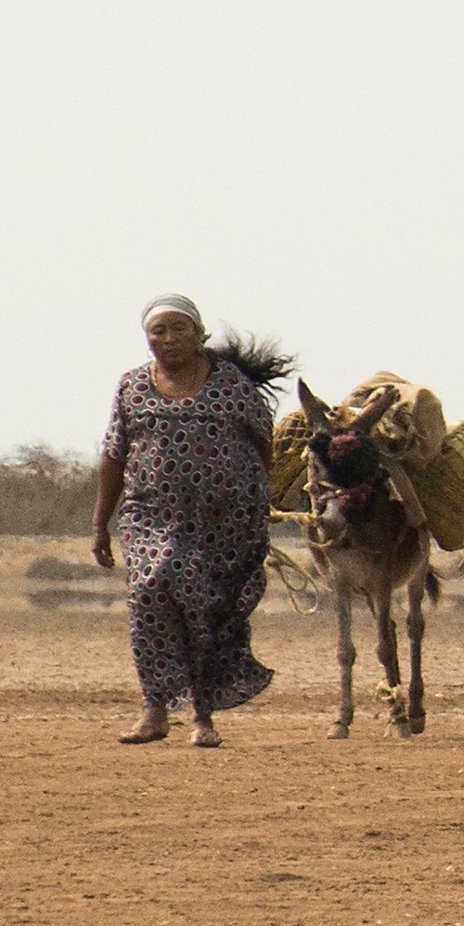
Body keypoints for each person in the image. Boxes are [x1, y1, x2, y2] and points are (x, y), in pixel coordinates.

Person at [91, 296, 284, 747]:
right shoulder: (132, 386)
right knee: (151, 589)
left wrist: (258, 503)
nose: (168, 338)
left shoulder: (232, 384)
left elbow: (264, 443)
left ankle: (201, 714)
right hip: (150, 515)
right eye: (158, 331)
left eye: (179, 329)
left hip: (225, 522)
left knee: (207, 609)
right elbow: (113, 455)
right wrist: (100, 523)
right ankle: (154, 709)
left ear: (199, 335)